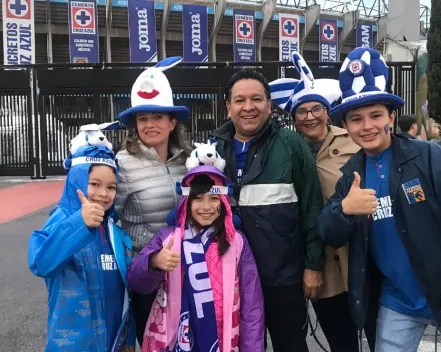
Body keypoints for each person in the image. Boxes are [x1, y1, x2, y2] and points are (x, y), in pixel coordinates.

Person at [318, 47, 441, 352]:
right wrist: (345, 210)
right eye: (356, 119)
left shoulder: (430, 158)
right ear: (346, 126)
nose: (367, 126)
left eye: (376, 115)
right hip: (396, 303)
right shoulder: (351, 175)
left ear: (392, 116)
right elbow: (327, 230)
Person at [269, 51, 377, 352]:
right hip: (320, 264)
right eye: (301, 111)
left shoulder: (352, 140)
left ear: (327, 112)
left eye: (316, 109)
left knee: (382, 337)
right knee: (341, 340)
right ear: (293, 117)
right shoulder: (285, 150)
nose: (310, 116)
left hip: (360, 258)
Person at [210, 69, 325, 352]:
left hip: (283, 276)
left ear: (269, 105)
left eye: (256, 99)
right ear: (228, 107)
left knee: (291, 345)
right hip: (230, 277)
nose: (248, 107)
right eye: (239, 100)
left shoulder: (291, 144)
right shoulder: (213, 150)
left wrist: (313, 265)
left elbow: (313, 206)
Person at [126, 145, 264, 352]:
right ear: (185, 202)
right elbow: (137, 283)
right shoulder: (168, 239)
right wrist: (153, 262)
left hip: (223, 337)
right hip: (176, 338)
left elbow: (252, 304)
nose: (206, 207)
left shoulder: (237, 242)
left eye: (214, 198)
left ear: (224, 202)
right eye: (198, 198)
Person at [28, 142, 135, 351]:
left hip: (113, 341)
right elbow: (41, 263)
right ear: (77, 179)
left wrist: (128, 337)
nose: (104, 193)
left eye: (111, 187)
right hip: (73, 343)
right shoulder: (61, 220)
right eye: (94, 184)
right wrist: (79, 224)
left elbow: (125, 293)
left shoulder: (114, 231)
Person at [115, 56, 192, 345]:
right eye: (142, 118)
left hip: (187, 272)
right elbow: (109, 222)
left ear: (172, 122)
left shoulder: (190, 160)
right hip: (145, 278)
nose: (149, 125)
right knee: (154, 344)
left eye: (157, 117)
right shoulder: (121, 164)